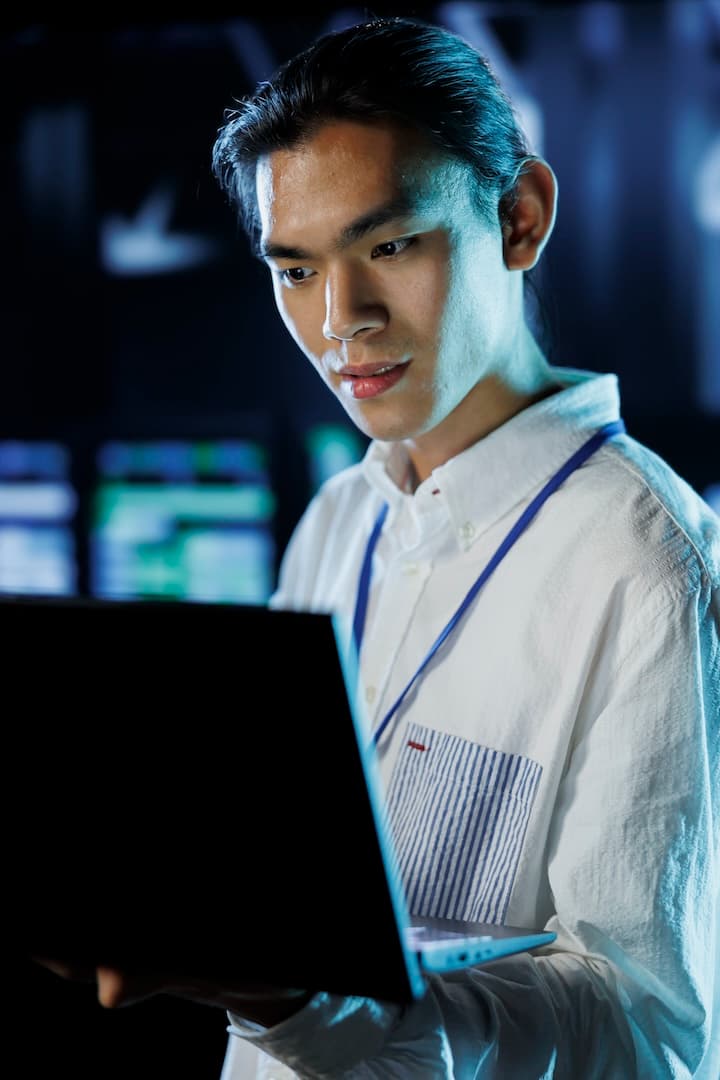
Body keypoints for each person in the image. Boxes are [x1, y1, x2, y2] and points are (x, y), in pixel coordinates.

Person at [37, 14, 719, 1079]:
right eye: (296, 269)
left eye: (389, 245)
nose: (340, 319)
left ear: (520, 218)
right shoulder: (340, 519)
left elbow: (649, 1040)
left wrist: (303, 1000)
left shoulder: (653, 568)